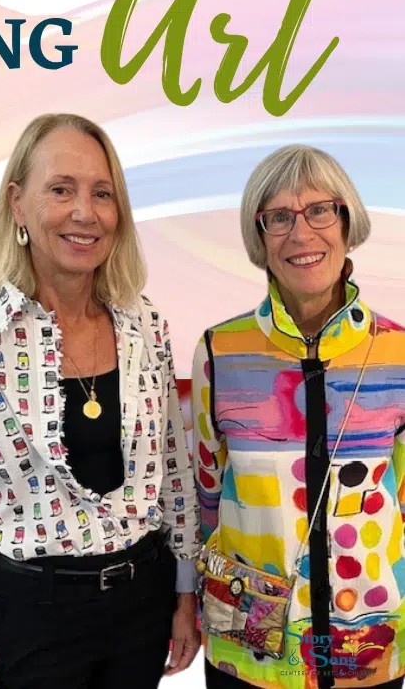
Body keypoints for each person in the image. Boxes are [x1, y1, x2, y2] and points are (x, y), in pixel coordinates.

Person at [0, 113, 202, 688]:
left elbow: (173, 473)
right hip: (28, 623)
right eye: (61, 189)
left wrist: (183, 595)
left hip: (142, 612)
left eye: (102, 193)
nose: (85, 212)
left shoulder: (146, 326)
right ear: (17, 204)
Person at [193, 144, 405, 689]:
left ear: (347, 223)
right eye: (279, 217)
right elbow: (205, 498)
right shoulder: (221, 351)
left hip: (368, 646)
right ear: (259, 237)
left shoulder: (397, 352)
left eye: (320, 210)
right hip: (251, 652)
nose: (301, 233)